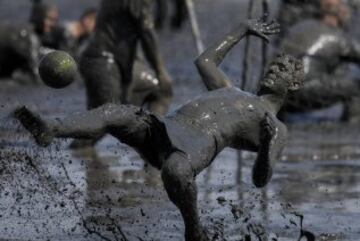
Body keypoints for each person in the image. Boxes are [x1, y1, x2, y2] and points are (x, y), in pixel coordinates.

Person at [14, 19, 304, 241]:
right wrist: (240, 30)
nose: (272, 70)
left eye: (281, 70)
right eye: (273, 65)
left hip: (194, 147)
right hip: (166, 126)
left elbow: (260, 180)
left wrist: (266, 145)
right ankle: (51, 129)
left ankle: (194, 231)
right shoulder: (229, 89)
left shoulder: (275, 127)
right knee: (115, 112)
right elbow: (204, 61)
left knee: (176, 171)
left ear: (292, 86)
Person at [278, 0, 360, 121]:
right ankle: (352, 128)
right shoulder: (337, 37)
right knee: (356, 86)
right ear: (341, 12)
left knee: (341, 70)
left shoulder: (300, 27)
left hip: (280, 96)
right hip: (305, 92)